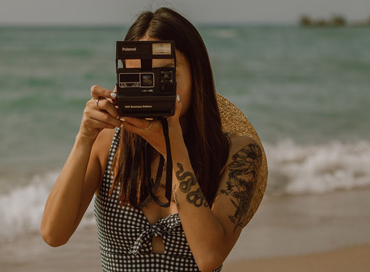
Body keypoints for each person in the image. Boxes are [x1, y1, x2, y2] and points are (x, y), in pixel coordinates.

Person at [41, 7, 267, 272]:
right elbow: (53, 234)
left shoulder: (237, 153)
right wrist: (84, 138)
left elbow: (209, 257)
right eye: (139, 75)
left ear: (197, 76)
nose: (151, 86)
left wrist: (173, 148)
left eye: (166, 75)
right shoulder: (108, 143)